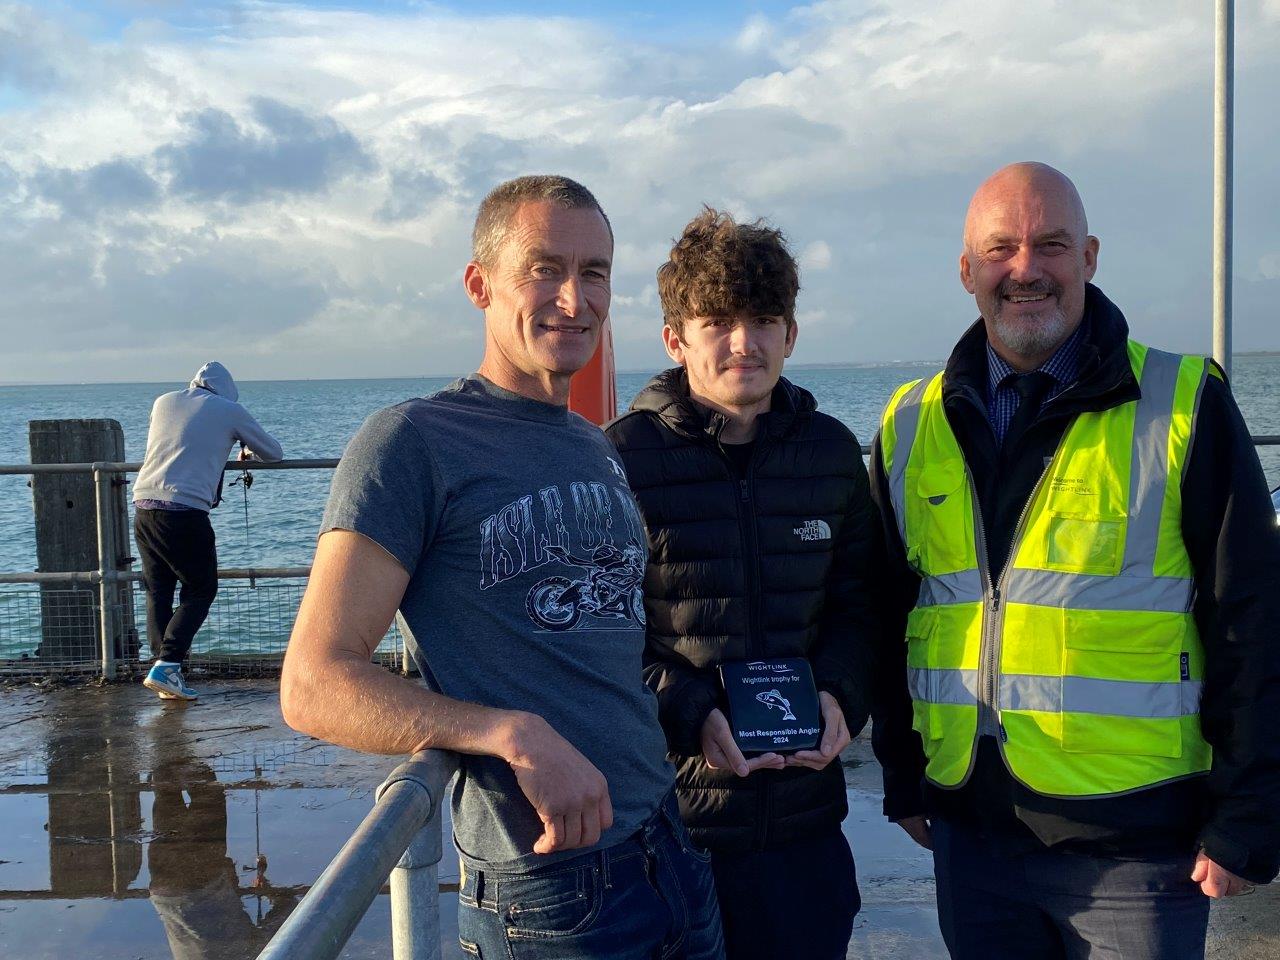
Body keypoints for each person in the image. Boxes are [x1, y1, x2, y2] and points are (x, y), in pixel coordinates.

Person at [281, 175, 724, 960]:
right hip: (551, 890)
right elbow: (314, 684)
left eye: (594, 273)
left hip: (670, 849)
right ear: (480, 285)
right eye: (544, 268)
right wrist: (505, 733)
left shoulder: (594, 444)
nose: (574, 298)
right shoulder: (412, 442)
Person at [871, 161, 1280, 959]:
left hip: (1138, 843)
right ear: (967, 271)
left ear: (1089, 256)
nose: (1025, 269)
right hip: (970, 834)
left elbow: (1253, 617)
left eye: (1050, 245)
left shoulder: (1185, 400)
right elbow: (892, 610)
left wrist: (1250, 814)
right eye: (1001, 249)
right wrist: (900, 778)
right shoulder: (909, 420)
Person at [605, 208, 878, 960]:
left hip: (806, 830)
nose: (743, 343)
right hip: (668, 831)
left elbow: (864, 605)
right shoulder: (619, 459)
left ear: (791, 334)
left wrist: (841, 696)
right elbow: (599, 636)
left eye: (764, 319)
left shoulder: (829, 453)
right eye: (717, 320)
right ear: (675, 338)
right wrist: (691, 713)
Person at [133, 361, 283, 701]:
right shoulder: (229, 410)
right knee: (200, 590)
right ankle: (168, 663)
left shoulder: (163, 401)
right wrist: (245, 449)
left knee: (158, 589)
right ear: (227, 390)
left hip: (144, 504)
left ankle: (165, 668)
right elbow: (274, 453)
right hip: (184, 512)